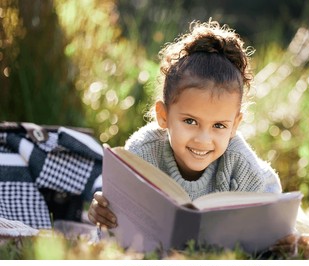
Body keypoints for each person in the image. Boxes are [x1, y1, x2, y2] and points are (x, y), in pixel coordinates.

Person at [88, 19, 282, 229]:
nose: (203, 139)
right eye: (190, 121)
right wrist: (104, 214)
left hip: (267, 191)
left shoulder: (241, 164)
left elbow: (259, 234)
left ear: (235, 125)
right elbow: (116, 228)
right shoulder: (141, 153)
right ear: (163, 116)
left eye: (219, 126)